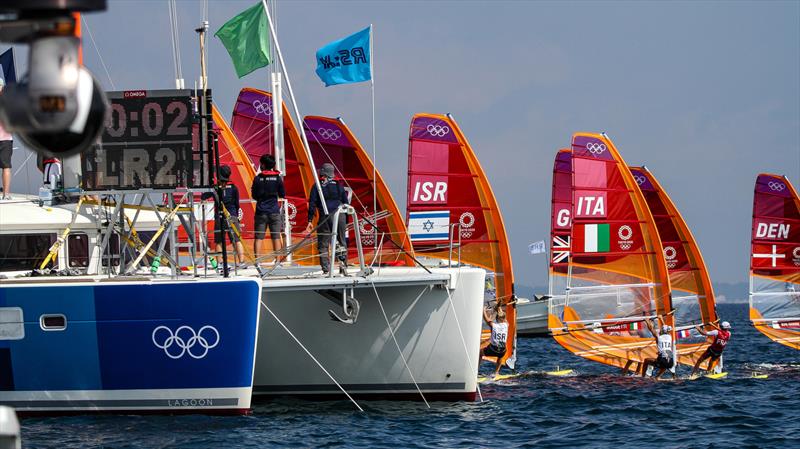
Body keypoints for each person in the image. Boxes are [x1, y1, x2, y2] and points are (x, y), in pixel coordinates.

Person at [304, 163, 349, 275]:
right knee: (341, 242)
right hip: (340, 216)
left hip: (325, 216)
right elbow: (346, 203)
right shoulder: (339, 185)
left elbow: (312, 203)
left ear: (323, 172)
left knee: (323, 244)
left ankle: (326, 269)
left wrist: (309, 220)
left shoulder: (317, 186)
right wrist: (346, 220)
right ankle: (343, 267)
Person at [202, 165, 246, 269]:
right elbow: (237, 203)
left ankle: (221, 263)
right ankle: (242, 261)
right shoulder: (234, 188)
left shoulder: (215, 188)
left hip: (220, 217)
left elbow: (204, 196)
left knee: (219, 241)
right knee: (237, 239)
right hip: (232, 216)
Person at [252, 154, 285, 265]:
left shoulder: (257, 179)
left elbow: (254, 195)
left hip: (261, 211)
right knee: (275, 236)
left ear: (263, 164)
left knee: (258, 237)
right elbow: (282, 194)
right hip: (274, 211)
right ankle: (278, 261)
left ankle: (257, 262)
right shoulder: (277, 178)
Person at [480, 305, 509, 378]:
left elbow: (485, 318)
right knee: (500, 355)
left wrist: (483, 309)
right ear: (504, 318)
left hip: (493, 349)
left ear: (497, 318)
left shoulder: (493, 325)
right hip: (502, 350)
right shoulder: (506, 325)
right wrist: (498, 308)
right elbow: (503, 317)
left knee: (480, 352)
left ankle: (476, 371)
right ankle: (496, 372)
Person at [0, 78, 13, 200]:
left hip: (5, 139)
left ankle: (6, 193)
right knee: (6, 166)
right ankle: (6, 194)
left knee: (6, 166)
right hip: (5, 138)